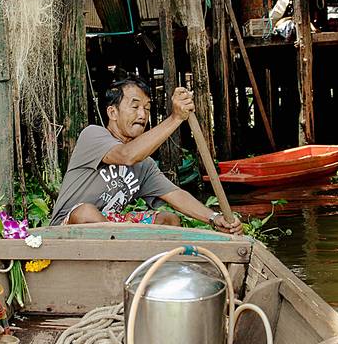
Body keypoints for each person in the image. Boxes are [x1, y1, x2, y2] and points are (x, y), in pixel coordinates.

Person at [48, 74, 243, 234]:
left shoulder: (145, 165)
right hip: (65, 229)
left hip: (112, 227)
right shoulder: (93, 135)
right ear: (112, 113)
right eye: (135, 107)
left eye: (147, 109)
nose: (142, 115)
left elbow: (175, 194)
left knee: (169, 220)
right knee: (86, 212)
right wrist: (175, 118)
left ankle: (137, 260)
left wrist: (214, 218)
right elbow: (127, 155)